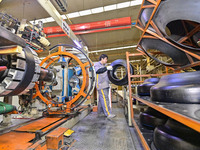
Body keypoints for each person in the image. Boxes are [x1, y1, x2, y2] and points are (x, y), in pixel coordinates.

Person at [94, 54, 116, 119]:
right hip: (101, 85)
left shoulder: (105, 66)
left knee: (102, 100)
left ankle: (101, 113)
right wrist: (106, 68)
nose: (106, 61)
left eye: (107, 59)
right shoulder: (97, 64)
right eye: (105, 59)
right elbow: (98, 71)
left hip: (106, 84)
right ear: (102, 59)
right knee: (105, 99)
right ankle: (108, 114)